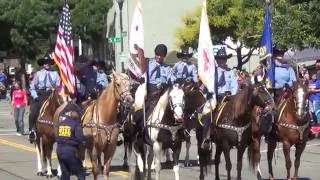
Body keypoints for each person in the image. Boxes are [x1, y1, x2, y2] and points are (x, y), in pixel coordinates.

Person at [28, 56, 60, 142]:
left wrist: (56, 89)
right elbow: (32, 87)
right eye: (45, 63)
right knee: (33, 112)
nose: (47, 64)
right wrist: (36, 97)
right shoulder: (38, 74)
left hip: (52, 94)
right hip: (41, 95)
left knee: (61, 110)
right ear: (43, 64)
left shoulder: (55, 74)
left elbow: (59, 85)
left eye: (48, 63)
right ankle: (32, 131)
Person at [56, 103, 85, 180]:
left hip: (59, 151)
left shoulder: (61, 124)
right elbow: (80, 138)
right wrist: (86, 141)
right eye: (77, 113)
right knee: (81, 173)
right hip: (70, 152)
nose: (78, 115)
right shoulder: (76, 124)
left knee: (65, 174)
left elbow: (57, 136)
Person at [145, 44, 176, 117]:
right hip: (151, 90)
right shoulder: (149, 64)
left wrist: (174, 81)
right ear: (155, 54)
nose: (159, 57)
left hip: (163, 91)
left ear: (164, 56)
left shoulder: (167, 68)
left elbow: (172, 79)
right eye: (157, 55)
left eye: (161, 55)